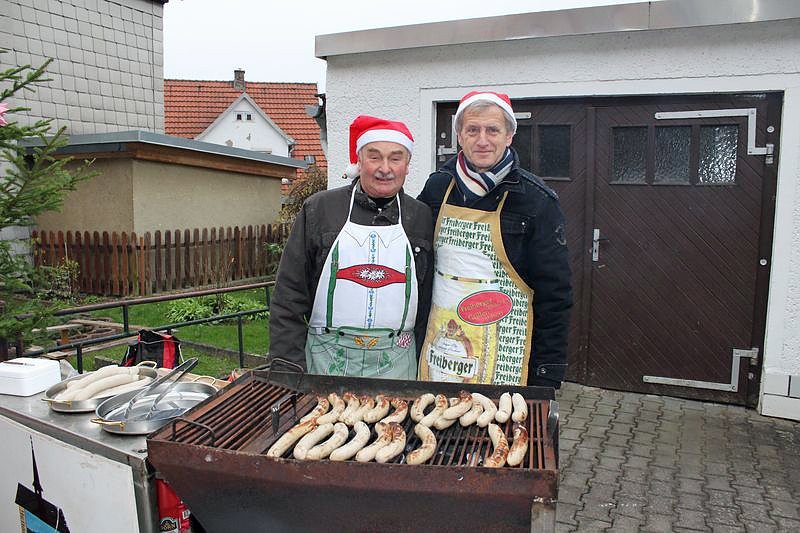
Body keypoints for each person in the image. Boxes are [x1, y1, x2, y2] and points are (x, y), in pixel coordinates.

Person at [417, 91, 572, 388]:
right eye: (472, 130)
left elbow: (555, 296)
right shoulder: (438, 188)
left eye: (493, 130)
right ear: (460, 136)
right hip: (442, 351)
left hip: (506, 360)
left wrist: (546, 375)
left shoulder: (537, 202)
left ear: (510, 136)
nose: (482, 140)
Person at [269, 115, 433, 379]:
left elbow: (427, 304)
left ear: (408, 164)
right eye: (374, 156)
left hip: (399, 367)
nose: (385, 168)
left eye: (396, 157)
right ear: (359, 161)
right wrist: (288, 370)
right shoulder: (320, 210)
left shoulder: (421, 217)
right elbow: (288, 297)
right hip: (324, 362)